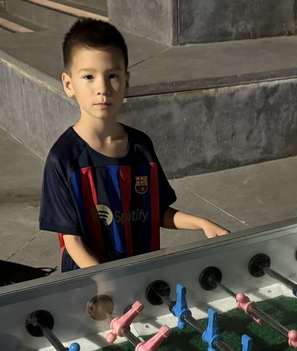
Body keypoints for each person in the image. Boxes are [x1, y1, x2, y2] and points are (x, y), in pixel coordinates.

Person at [39, 19, 228, 271]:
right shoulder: (62, 159)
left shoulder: (141, 147)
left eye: (112, 76)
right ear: (68, 84)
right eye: (88, 76)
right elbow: (71, 240)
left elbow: (156, 212)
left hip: (142, 277)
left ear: (126, 82)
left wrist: (201, 223)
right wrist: (105, 280)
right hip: (90, 291)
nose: (102, 88)